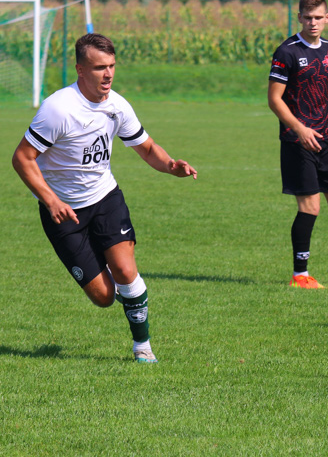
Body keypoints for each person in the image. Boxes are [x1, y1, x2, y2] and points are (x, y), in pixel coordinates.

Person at [11, 33, 197, 363]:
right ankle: (109, 274)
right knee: (104, 296)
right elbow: (22, 158)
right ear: (81, 70)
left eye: (111, 66)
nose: (108, 74)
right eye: (99, 68)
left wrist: (171, 165)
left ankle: (143, 346)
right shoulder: (58, 109)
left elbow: (147, 148)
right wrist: (51, 200)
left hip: (105, 198)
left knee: (126, 271)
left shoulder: (117, 105)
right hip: (63, 212)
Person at [267, 0, 328, 289]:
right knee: (310, 208)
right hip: (298, 143)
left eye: (318, 17)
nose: (313, 23)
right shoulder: (286, 52)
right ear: (299, 18)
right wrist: (299, 129)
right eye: (307, 17)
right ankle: (300, 275)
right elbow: (274, 99)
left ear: (327, 18)